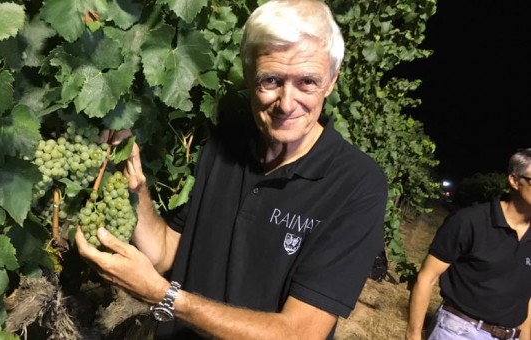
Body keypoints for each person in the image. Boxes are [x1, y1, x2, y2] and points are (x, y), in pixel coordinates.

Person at [76, 0, 388, 338]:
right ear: (248, 72)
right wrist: (137, 191)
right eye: (270, 80)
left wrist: (163, 296)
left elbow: (299, 333)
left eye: (307, 82)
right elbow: (167, 254)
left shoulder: (357, 184)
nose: (286, 103)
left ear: (331, 80)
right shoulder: (224, 146)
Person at [406, 148, 531, 340]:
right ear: (514, 180)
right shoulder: (469, 222)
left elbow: (526, 299)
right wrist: (413, 335)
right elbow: (426, 277)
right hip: (458, 332)